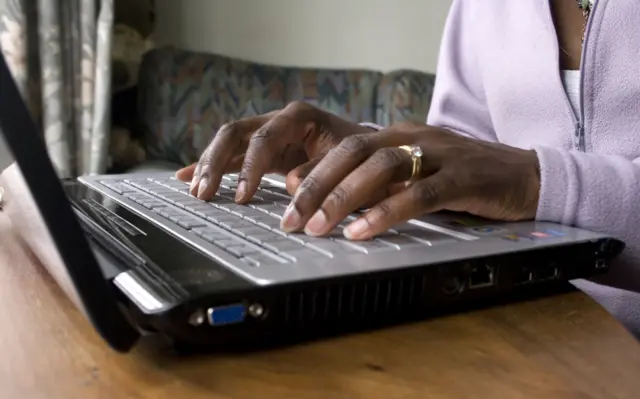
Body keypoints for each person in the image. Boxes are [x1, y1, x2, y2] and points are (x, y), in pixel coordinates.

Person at [176, 0, 640, 335]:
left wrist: (538, 181)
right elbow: (463, 157)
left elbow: (513, 175)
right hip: (513, 336)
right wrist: (370, 152)